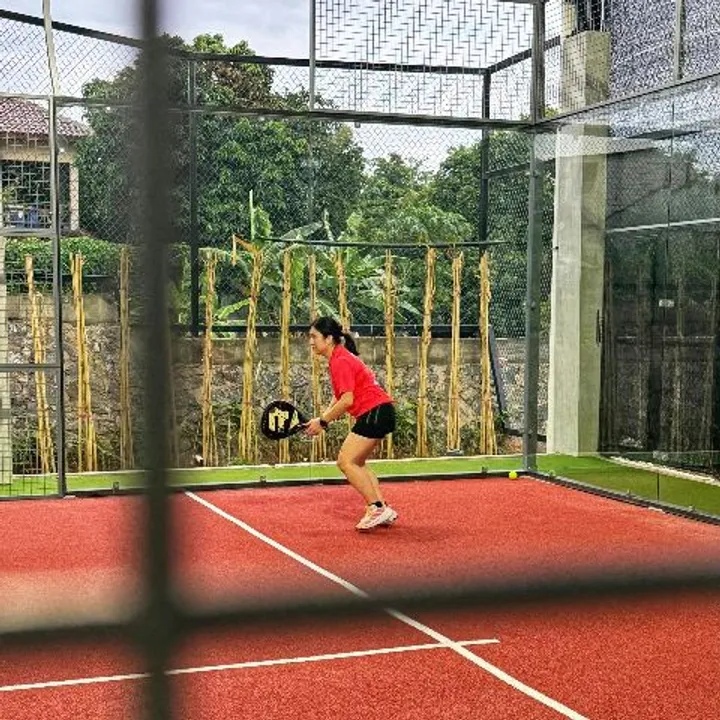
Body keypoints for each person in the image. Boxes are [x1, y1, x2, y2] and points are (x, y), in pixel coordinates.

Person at [305, 316, 398, 531]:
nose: (310, 342)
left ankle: (376, 508)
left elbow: (347, 400)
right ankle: (382, 507)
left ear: (328, 338)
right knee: (358, 462)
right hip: (380, 412)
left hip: (375, 412)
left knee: (346, 462)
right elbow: (340, 396)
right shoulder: (339, 357)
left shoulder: (340, 360)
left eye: (314, 337)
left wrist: (323, 422)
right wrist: (321, 419)